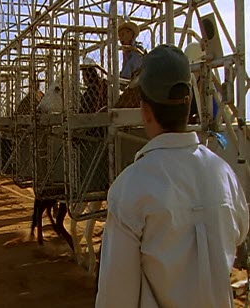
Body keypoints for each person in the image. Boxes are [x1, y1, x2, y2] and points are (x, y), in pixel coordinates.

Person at [96, 44, 249, 307]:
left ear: (145, 110)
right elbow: (240, 232)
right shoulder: (223, 173)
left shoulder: (130, 187)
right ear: (188, 103)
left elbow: (116, 296)